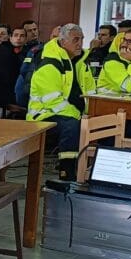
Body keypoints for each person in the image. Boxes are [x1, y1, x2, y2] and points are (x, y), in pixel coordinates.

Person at [27, 24, 96, 181]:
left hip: (74, 113)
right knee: (71, 125)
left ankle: (96, 172)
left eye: (82, 39)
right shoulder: (50, 64)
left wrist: (91, 113)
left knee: (103, 122)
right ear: (63, 41)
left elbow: (91, 91)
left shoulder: (80, 62)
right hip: (44, 115)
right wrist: (79, 116)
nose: (80, 43)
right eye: (75, 40)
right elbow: (53, 102)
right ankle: (67, 173)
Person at [0, 27, 29, 110]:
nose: (18, 38)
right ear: (10, 38)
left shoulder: (29, 53)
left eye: (22, 36)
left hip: (23, 96)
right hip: (4, 98)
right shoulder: (2, 52)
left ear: (26, 39)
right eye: (16, 35)